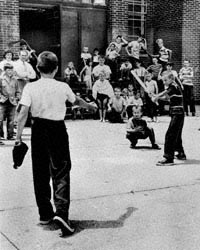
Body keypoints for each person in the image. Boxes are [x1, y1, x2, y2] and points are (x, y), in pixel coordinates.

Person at [14, 51, 97, 235]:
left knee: (40, 171)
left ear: (37, 68)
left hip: (38, 131)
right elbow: (78, 101)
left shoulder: (30, 87)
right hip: (57, 130)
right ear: (57, 68)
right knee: (61, 170)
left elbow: (22, 113)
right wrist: (91, 106)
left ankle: (45, 214)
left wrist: (18, 139)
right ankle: (61, 213)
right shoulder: (62, 86)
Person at [152, 73, 186, 166]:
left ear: (171, 79)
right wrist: (157, 97)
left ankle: (168, 158)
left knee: (170, 134)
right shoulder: (173, 88)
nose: (164, 82)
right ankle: (181, 153)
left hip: (177, 113)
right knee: (177, 134)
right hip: (177, 113)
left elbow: (164, 92)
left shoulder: (173, 85)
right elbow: (167, 98)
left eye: (165, 80)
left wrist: (156, 96)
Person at [0, 63, 20, 140]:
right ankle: (1, 135)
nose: (10, 72)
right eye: (8, 70)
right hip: (3, 101)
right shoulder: (1, 79)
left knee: (11, 120)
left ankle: (10, 135)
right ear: (5, 70)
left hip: (12, 101)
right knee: (0, 119)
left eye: (11, 70)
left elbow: (18, 90)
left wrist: (17, 98)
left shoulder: (15, 80)